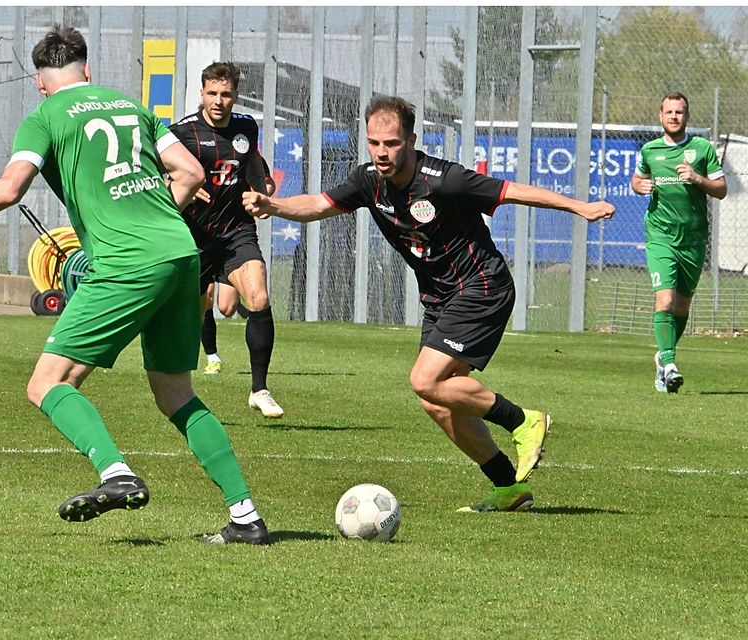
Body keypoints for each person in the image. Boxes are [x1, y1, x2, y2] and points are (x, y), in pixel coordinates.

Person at [0, 26, 268, 545]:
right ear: (87, 70)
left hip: (126, 262)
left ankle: (116, 473)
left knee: (47, 383)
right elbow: (190, 174)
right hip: (180, 253)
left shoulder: (45, 116)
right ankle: (245, 516)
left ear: (40, 82)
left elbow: (9, 189)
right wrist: (150, 217)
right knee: (176, 392)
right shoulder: (130, 106)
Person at [244, 96, 615, 512]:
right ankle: (507, 487)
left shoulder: (444, 180)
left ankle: (523, 421)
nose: (382, 152)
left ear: (411, 140)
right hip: (440, 298)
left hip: (481, 286)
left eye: (391, 143)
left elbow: (513, 192)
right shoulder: (368, 181)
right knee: (435, 400)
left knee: (425, 380)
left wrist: (578, 206)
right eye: (374, 142)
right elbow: (318, 205)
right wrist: (274, 206)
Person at [169, 62, 284, 418]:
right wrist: (180, 186)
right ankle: (178, 391)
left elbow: (254, 164)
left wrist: (262, 192)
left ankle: (260, 390)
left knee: (258, 297)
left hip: (236, 231)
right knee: (190, 314)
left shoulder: (246, 127)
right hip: (192, 237)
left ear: (236, 95)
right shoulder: (182, 132)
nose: (219, 101)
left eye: (226, 94)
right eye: (212, 93)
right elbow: (151, 172)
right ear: (202, 93)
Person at [631, 92, 727, 393]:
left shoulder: (702, 149)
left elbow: (721, 189)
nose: (674, 117)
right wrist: (639, 186)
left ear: (687, 116)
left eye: (679, 112)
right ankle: (671, 364)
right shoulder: (650, 150)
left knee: (682, 307)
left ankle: (663, 356)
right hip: (660, 236)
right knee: (665, 301)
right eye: (669, 112)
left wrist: (698, 179)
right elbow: (637, 180)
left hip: (694, 239)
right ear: (661, 116)